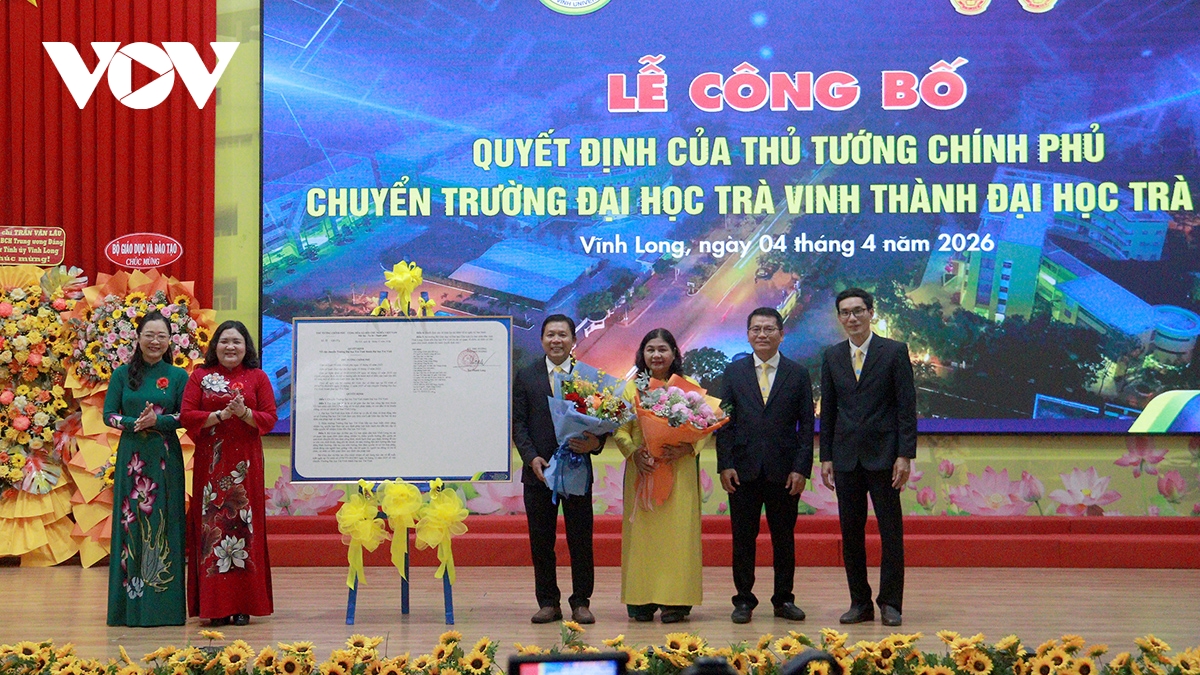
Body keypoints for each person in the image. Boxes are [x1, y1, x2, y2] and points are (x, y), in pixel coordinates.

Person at [819, 287, 917, 628]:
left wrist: (904, 455)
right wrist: (826, 456)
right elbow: (829, 409)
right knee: (851, 533)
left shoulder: (894, 352)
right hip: (845, 458)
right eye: (845, 312)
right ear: (839, 318)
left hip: (885, 457)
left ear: (871, 313)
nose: (852, 318)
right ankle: (859, 602)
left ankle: (890, 603)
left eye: (858, 311)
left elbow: (906, 407)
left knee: (891, 533)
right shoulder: (832, 356)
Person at [715, 307, 814, 624]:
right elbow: (724, 423)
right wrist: (725, 464)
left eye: (769, 329)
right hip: (742, 470)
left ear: (781, 334)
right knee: (743, 539)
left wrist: (801, 468)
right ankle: (743, 600)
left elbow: (806, 426)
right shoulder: (734, 372)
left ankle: (784, 599)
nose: (762, 334)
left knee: (784, 539)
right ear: (748, 335)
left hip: (784, 471)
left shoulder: (797, 373)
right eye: (756, 329)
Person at [181, 320, 278, 627]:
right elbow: (187, 415)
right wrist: (221, 415)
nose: (230, 347)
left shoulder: (258, 377)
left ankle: (243, 605)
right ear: (215, 346)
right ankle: (215, 607)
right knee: (212, 527)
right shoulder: (200, 376)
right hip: (211, 465)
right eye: (224, 341)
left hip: (245, 466)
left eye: (237, 341)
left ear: (246, 347)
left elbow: (270, 418)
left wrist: (244, 413)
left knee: (244, 527)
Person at [612, 328, 710, 624]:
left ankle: (676, 602)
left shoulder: (689, 387)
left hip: (679, 472)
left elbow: (705, 427)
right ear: (642, 354)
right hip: (643, 472)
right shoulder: (630, 388)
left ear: (674, 354)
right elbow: (620, 429)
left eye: (662, 349)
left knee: (679, 537)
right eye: (650, 349)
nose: (656, 355)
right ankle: (641, 600)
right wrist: (633, 453)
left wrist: (686, 448)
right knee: (642, 538)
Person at [512, 314, 605, 624]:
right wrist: (531, 458)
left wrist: (595, 443)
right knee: (541, 542)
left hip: (577, 469)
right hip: (538, 473)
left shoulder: (587, 377)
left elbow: (602, 421)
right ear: (542, 340)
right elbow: (519, 423)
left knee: (581, 540)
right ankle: (548, 603)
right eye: (550, 334)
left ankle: (581, 602)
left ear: (573, 340)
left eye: (562, 335)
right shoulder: (526, 375)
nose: (556, 340)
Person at [105, 310, 189, 627]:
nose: (155, 341)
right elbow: (108, 415)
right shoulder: (121, 375)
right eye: (149, 335)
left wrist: (159, 420)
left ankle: (164, 609)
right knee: (132, 525)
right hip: (132, 458)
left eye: (161, 336)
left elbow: (185, 415)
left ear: (170, 341)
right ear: (138, 338)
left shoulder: (178, 376)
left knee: (164, 523)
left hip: (164, 458)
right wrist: (133, 423)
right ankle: (127, 609)